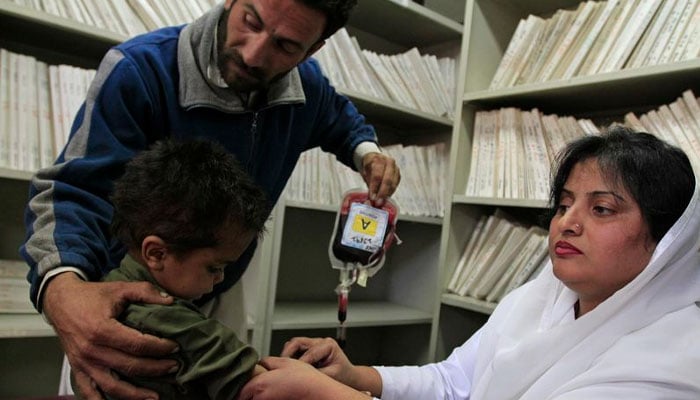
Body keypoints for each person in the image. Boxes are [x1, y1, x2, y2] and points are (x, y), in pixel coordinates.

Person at [21, 0, 400, 399]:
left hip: (216, 287)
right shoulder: (139, 70)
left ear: (312, 50)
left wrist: (365, 151)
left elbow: (338, 115)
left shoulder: (307, 83)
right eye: (250, 21)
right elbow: (73, 191)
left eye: (286, 46)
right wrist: (62, 293)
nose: (253, 54)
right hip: (119, 304)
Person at [237, 126, 700, 400]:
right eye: (563, 205)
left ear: (668, 239)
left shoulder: (676, 359)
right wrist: (357, 377)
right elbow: (457, 381)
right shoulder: (540, 297)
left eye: (601, 209)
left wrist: (329, 395)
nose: (566, 224)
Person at [70, 138, 269, 399]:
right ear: (157, 253)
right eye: (214, 267)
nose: (220, 279)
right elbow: (262, 385)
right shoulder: (183, 328)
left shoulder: (105, 290)